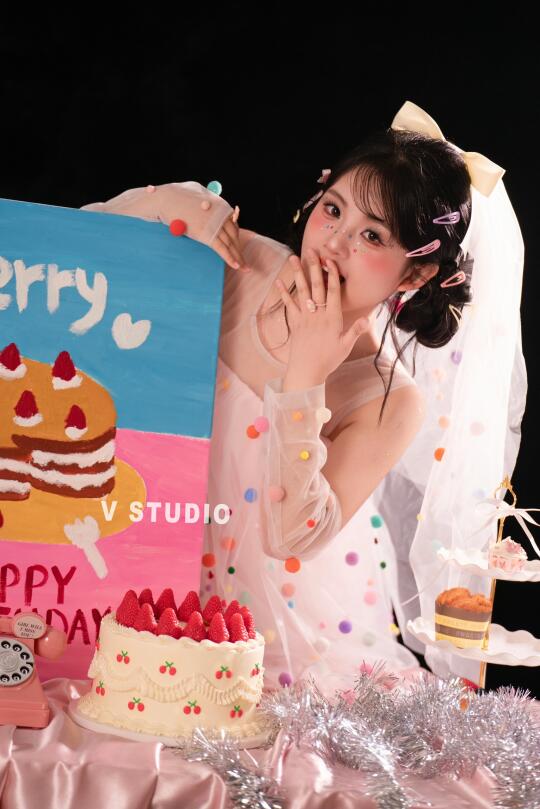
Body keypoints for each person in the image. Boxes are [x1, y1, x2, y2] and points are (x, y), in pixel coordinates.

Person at [80, 101, 526, 694]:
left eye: (372, 235)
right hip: (135, 549)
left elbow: (290, 538)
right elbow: (60, 258)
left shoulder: (390, 398)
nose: (334, 243)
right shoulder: (239, 262)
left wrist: (307, 375)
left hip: (256, 623)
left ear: (414, 275)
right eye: (333, 211)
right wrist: (163, 203)